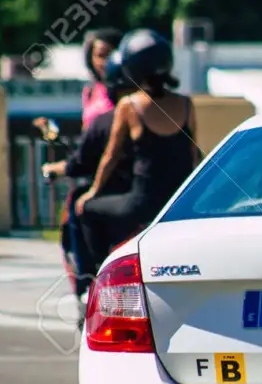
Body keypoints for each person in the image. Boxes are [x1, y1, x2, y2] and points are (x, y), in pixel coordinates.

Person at [76, 29, 199, 271]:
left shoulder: (129, 105)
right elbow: (193, 157)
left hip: (141, 203)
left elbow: (110, 157)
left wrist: (92, 192)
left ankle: (98, 275)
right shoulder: (186, 104)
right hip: (176, 204)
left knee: (87, 210)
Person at [42, 50, 137, 298]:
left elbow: (90, 161)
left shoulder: (109, 121)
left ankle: (88, 281)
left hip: (126, 199)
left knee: (81, 206)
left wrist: (56, 170)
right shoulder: (168, 112)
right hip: (158, 200)